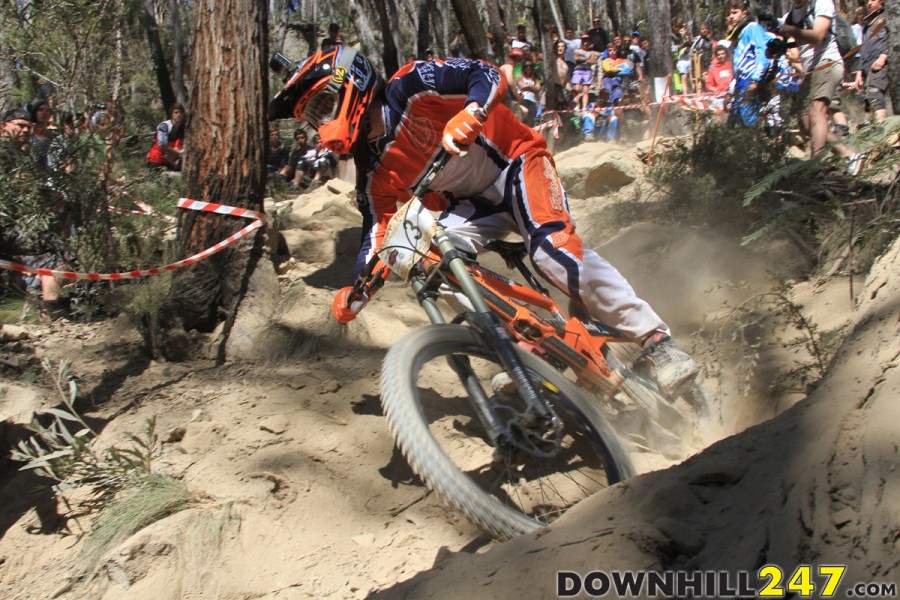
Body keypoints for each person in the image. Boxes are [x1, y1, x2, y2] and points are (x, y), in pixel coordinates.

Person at [267, 46, 698, 393]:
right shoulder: (371, 167)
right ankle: (528, 351)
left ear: (352, 82)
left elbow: (487, 74)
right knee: (434, 265)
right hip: (474, 204)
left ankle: (656, 342)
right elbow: (378, 229)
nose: (321, 122)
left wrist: (470, 111)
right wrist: (360, 286)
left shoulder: (410, 84)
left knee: (550, 252)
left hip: (517, 163)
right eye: (311, 116)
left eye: (323, 105)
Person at [778, 0, 850, 159]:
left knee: (817, 110)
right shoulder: (792, 13)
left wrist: (791, 30)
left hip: (827, 61)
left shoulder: (822, 3)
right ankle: (849, 154)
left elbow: (818, 36)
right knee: (806, 125)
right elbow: (795, 50)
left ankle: (815, 165)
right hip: (809, 69)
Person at [724, 1, 770, 128]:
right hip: (740, 83)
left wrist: (755, 80)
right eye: (728, 14)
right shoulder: (738, 35)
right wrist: (729, 92)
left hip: (751, 82)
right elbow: (737, 68)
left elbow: (762, 53)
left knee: (749, 124)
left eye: (734, 12)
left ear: (744, 13)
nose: (731, 17)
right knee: (734, 126)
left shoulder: (752, 28)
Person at [854, 0, 888, 127]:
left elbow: (894, 39)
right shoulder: (867, 26)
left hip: (881, 65)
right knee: (867, 98)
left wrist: (883, 56)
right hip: (867, 67)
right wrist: (859, 72)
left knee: (875, 93)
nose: (870, 3)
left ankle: (881, 130)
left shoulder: (887, 18)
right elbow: (863, 49)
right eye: (867, 1)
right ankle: (870, 129)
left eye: (873, 0)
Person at [146, 103, 185, 170]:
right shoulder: (164, 126)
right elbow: (162, 146)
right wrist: (179, 152)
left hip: (168, 161)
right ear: (172, 114)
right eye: (176, 112)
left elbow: (179, 146)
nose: (178, 115)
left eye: (181, 113)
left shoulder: (182, 129)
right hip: (155, 160)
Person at [572, 36, 597, 113]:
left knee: (585, 90)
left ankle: (584, 107)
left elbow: (593, 61)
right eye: (584, 41)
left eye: (587, 41)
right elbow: (576, 58)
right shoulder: (577, 50)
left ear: (589, 42)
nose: (585, 43)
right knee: (577, 88)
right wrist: (586, 58)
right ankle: (577, 105)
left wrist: (582, 58)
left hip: (587, 71)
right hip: (578, 70)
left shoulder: (592, 52)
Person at [516, 60, 541, 126]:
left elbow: (538, 89)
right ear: (524, 67)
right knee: (522, 120)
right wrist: (532, 88)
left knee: (531, 122)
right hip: (523, 99)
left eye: (530, 66)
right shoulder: (520, 76)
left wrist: (528, 86)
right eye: (526, 66)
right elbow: (522, 87)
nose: (528, 67)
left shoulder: (535, 79)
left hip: (532, 101)